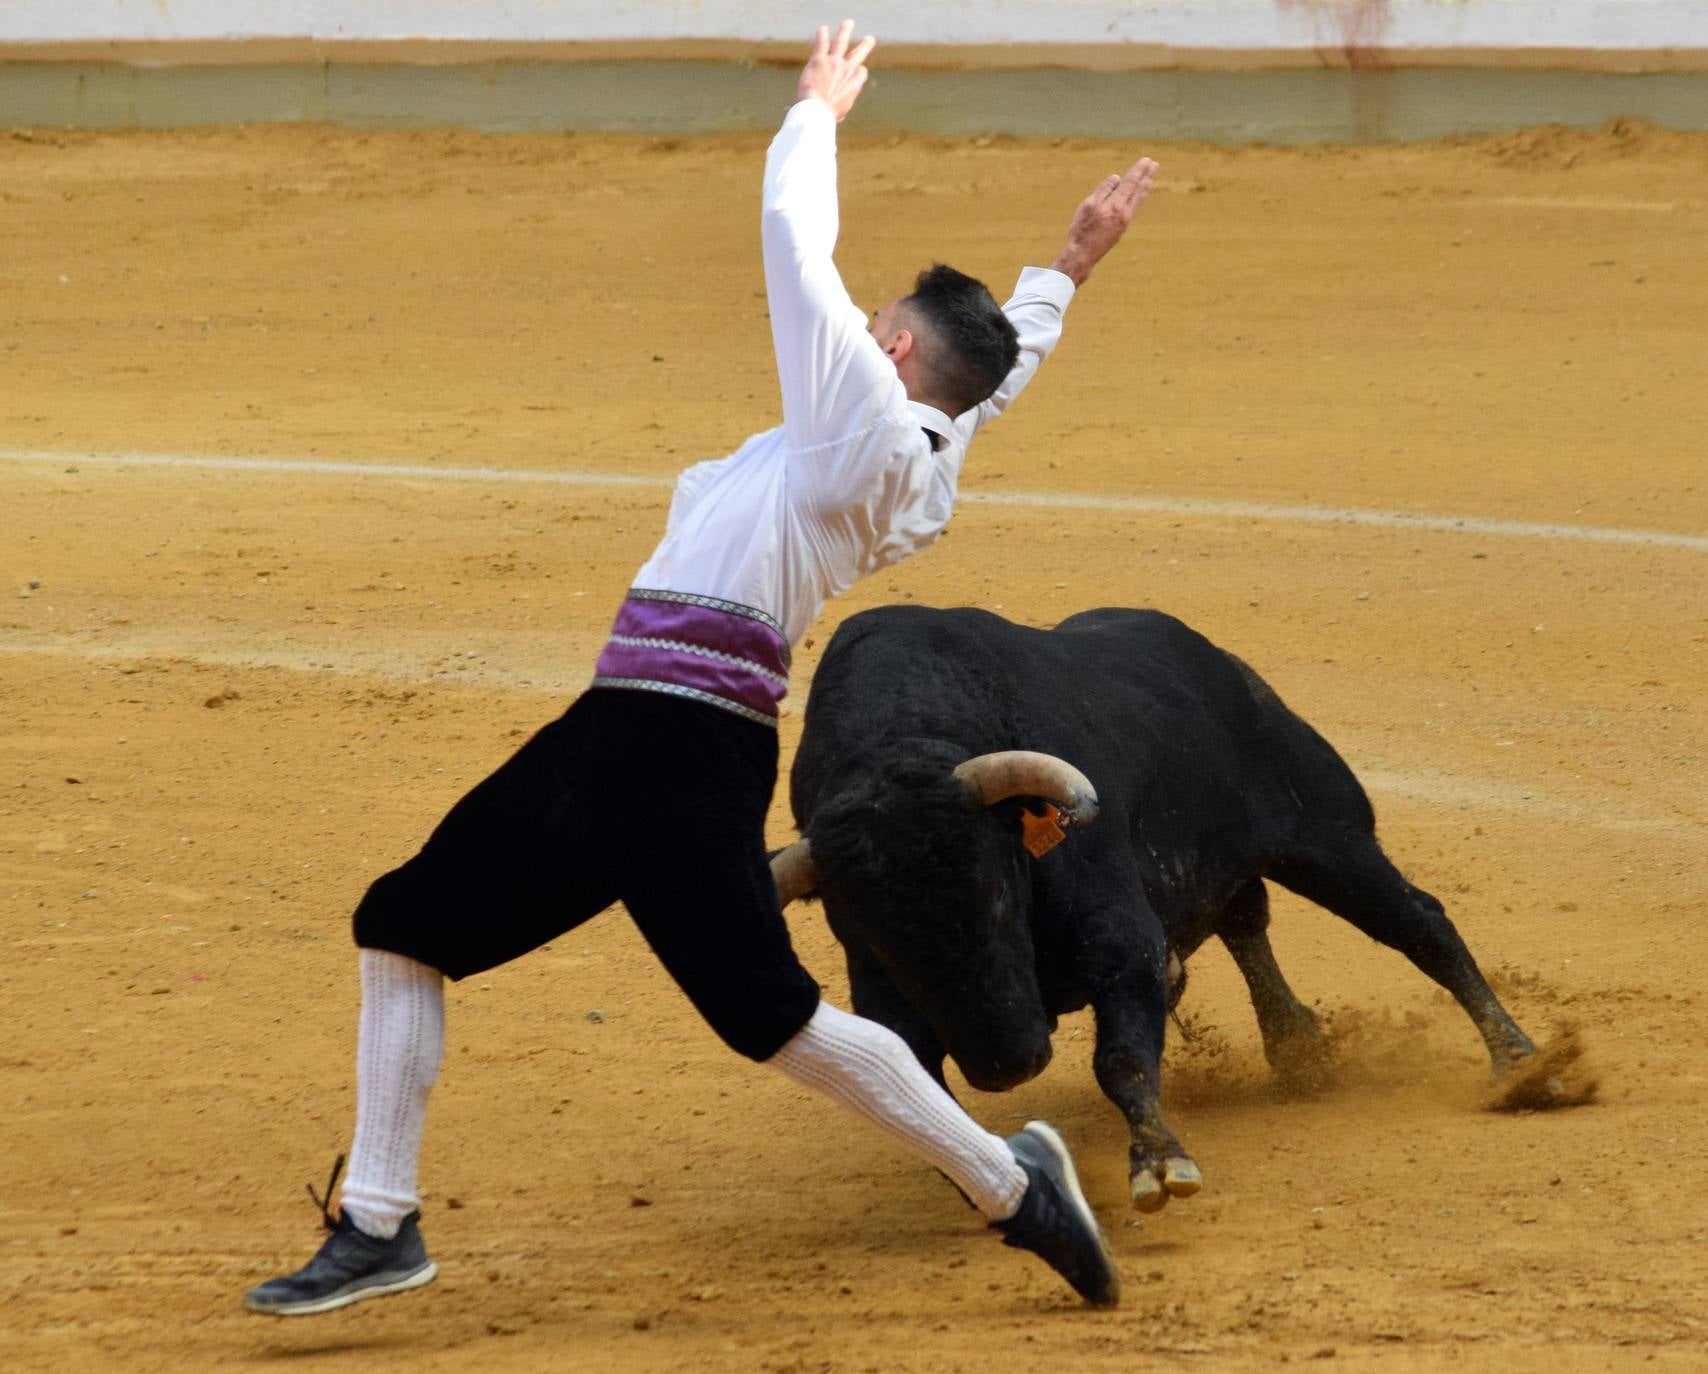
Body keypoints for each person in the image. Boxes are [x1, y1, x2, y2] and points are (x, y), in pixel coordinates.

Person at [243, 20, 1159, 1317]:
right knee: (403, 924)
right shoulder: (917, 444)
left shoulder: (857, 417)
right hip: (625, 726)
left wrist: (818, 111)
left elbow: (795, 238)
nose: (858, 318)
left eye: (876, 319)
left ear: (890, 353)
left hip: (680, 747)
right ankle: (382, 1220)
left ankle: (1010, 1186)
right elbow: (978, 386)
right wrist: (1063, 271)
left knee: (771, 1018)